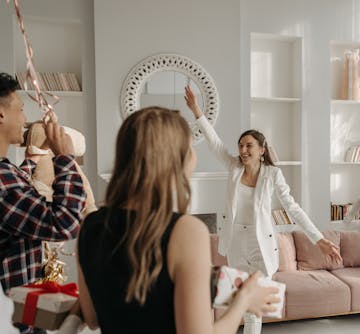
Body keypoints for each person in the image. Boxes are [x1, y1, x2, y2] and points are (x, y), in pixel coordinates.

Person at [76, 107, 279, 334]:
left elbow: (92, 317)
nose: (194, 155)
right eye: (190, 147)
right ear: (174, 158)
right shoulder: (186, 231)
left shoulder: (89, 226)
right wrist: (243, 299)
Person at [185, 85, 342, 334]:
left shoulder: (273, 175)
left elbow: (293, 208)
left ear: (261, 150)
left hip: (261, 243)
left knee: (253, 306)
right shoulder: (234, 167)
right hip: (236, 241)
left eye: (249, 146)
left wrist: (319, 239)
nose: (243, 150)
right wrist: (196, 111)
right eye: (240, 146)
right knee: (238, 300)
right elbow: (215, 143)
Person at [0, 72, 86, 334]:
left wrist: (33, 158)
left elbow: (19, 197)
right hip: (14, 325)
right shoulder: (3, 181)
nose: (25, 119)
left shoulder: (7, 174)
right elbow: (64, 224)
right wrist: (65, 158)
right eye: (21, 109)